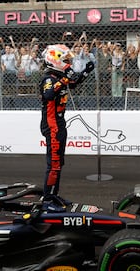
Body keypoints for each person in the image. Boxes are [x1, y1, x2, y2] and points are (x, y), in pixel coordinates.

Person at [40, 44, 94, 212]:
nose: (69, 64)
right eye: (66, 61)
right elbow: (48, 95)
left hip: (60, 123)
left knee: (59, 163)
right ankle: (47, 199)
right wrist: (64, 79)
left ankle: (53, 194)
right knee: (53, 165)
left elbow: (75, 82)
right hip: (52, 125)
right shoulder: (49, 78)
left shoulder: (59, 76)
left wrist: (86, 71)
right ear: (55, 61)